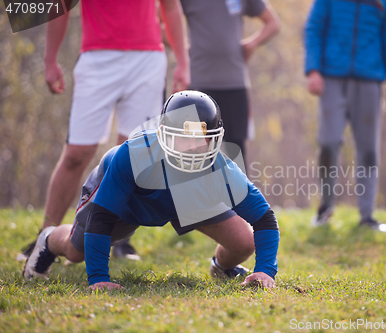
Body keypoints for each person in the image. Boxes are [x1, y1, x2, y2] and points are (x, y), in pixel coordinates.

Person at [23, 91, 279, 289]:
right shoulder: (131, 156)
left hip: (187, 199)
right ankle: (49, 238)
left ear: (214, 138)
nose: (192, 146)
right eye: (183, 135)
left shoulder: (221, 168)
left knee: (244, 242)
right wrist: (99, 278)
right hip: (131, 204)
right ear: (164, 133)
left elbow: (264, 218)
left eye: (200, 137)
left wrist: (265, 270)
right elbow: (101, 219)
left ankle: (221, 267)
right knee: (76, 250)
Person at [20, 0, 190, 260]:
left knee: (134, 156)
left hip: (148, 59)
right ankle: (45, 237)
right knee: (77, 153)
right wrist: (50, 60)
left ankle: (118, 240)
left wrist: (183, 62)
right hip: (96, 59)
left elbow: (171, 7)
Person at [304, 0, 386, 231]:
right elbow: (314, 29)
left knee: (369, 150)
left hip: (369, 81)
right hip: (331, 78)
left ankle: (367, 216)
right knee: (328, 143)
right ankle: (325, 207)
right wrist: (313, 70)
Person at [180, 0, 280, 160]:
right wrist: (180, 48)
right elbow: (161, 20)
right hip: (198, 86)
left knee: (236, 153)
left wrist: (252, 43)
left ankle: (237, 186)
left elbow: (273, 23)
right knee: (196, 154)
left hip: (235, 85)